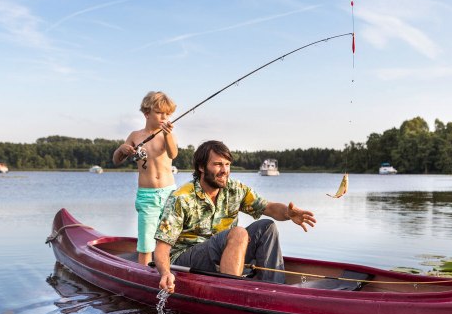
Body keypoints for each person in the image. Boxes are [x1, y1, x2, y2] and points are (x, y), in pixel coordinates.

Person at [153, 140, 316, 293]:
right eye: (217, 164)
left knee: (267, 226)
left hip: (224, 253)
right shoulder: (181, 198)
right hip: (185, 259)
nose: (224, 170)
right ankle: (231, 293)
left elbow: (269, 208)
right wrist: (165, 273)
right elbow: (162, 248)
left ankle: (274, 290)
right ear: (201, 167)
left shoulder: (235, 189)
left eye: (227, 164)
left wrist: (288, 213)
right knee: (239, 232)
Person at [112, 91, 179, 266]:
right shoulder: (135, 136)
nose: (164, 117)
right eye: (159, 113)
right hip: (147, 196)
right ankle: (143, 272)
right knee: (146, 241)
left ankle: (167, 270)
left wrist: (168, 135)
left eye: (167, 114)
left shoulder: (167, 135)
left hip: (169, 194)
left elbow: (173, 153)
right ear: (147, 113)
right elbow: (116, 160)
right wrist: (122, 149)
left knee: (169, 237)